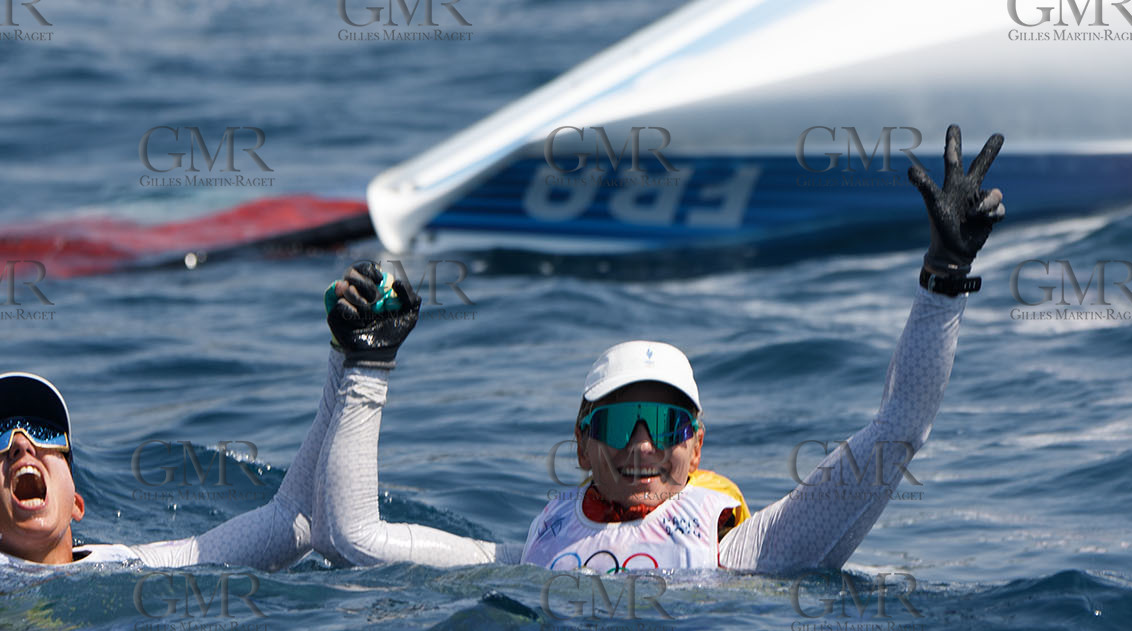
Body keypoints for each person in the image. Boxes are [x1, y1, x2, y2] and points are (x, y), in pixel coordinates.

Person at [311, 125, 1006, 575]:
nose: (643, 445)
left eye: (667, 423)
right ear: (582, 446)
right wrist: (364, 367)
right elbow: (355, 538)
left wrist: (944, 281)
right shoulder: (531, 553)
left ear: (697, 446)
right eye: (619, 422)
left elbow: (900, 427)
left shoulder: (743, 552)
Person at [0, 265, 410, 598]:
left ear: (77, 503)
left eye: (40, 431)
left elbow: (295, 519)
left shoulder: (129, 567)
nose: (22, 442)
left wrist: (350, 355)